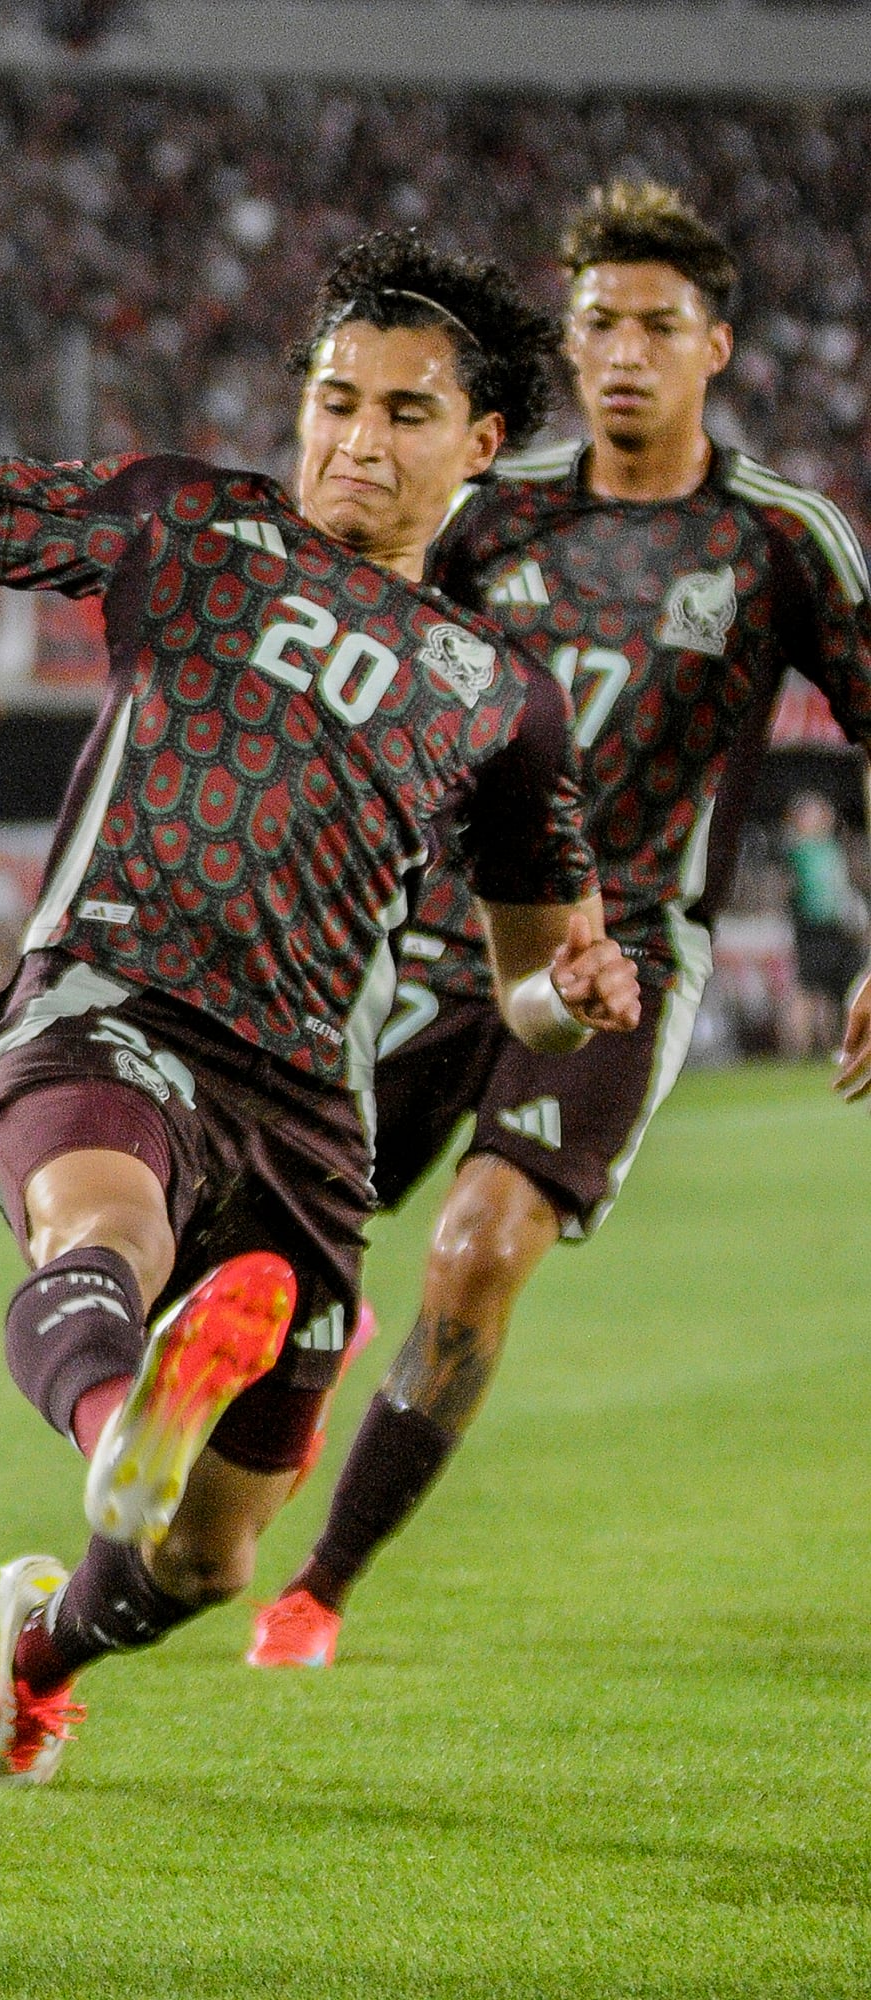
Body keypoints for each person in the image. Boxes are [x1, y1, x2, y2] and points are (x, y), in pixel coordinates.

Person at [0, 53, 639, 1787]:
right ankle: (108, 1418)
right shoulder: (190, 526)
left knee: (209, 1563)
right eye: (335, 397)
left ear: (485, 443)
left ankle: (46, 1650)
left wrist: (577, 996)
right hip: (110, 1000)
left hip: (305, 1107)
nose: (355, 438)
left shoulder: (505, 700)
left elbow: (527, 1001)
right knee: (102, 1225)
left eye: (403, 412)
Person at [250, 185, 871, 1670]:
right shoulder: (490, 511)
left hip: (627, 959)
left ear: (715, 346)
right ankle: (267, 1419)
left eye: (659, 325)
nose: (623, 353)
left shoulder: (779, 539)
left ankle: (319, 1585)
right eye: (597, 322)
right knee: (264, 1248)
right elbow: (361, 641)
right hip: (434, 943)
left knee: (476, 1250)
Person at [783, 793, 866, 1059]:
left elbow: (842, 888)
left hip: (837, 929)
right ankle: (798, 1050)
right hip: (811, 929)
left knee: (837, 990)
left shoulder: (833, 848)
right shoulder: (798, 849)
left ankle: (834, 1044)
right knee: (808, 988)